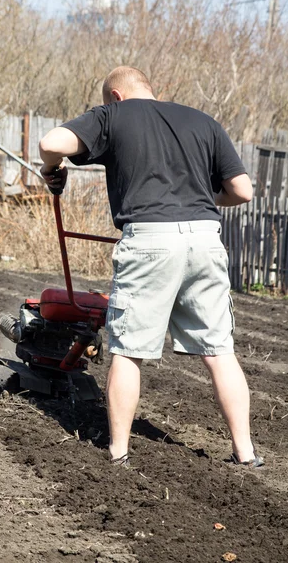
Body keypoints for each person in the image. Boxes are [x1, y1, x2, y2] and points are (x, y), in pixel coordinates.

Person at [39, 65, 263, 469]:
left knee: (128, 351)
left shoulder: (112, 115)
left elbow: (51, 140)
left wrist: (52, 170)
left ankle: (119, 452)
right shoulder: (202, 121)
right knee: (219, 351)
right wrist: (199, 201)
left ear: (116, 96)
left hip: (150, 242)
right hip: (205, 240)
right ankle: (246, 454)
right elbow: (242, 190)